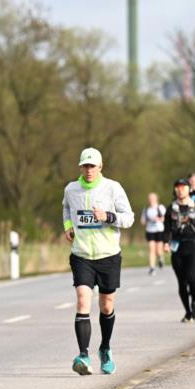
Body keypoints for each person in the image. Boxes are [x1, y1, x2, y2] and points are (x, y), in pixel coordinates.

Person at [62, 147, 134, 375]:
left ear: (100, 167)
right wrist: (68, 226)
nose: (88, 170)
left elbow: (129, 218)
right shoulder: (71, 189)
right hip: (82, 255)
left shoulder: (113, 188)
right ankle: (83, 355)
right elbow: (66, 209)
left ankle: (105, 348)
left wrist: (108, 217)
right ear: (81, 167)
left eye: (92, 166)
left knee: (106, 305)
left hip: (108, 255)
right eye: (85, 166)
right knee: (83, 301)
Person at [164, 178, 195, 321]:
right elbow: (167, 228)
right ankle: (188, 312)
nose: (180, 189)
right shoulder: (171, 208)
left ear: (189, 189)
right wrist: (166, 242)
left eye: (183, 187)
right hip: (177, 247)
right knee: (182, 282)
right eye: (177, 187)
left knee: (190, 277)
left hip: (194, 245)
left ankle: (194, 301)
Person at [140, 193, 166, 275]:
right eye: (150, 198)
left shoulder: (160, 208)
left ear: (156, 199)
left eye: (153, 198)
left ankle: (160, 258)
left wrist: (157, 219)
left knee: (158, 250)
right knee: (152, 249)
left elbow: (165, 218)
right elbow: (142, 221)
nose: (151, 200)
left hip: (159, 230)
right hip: (150, 231)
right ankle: (152, 268)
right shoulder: (146, 209)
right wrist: (147, 220)